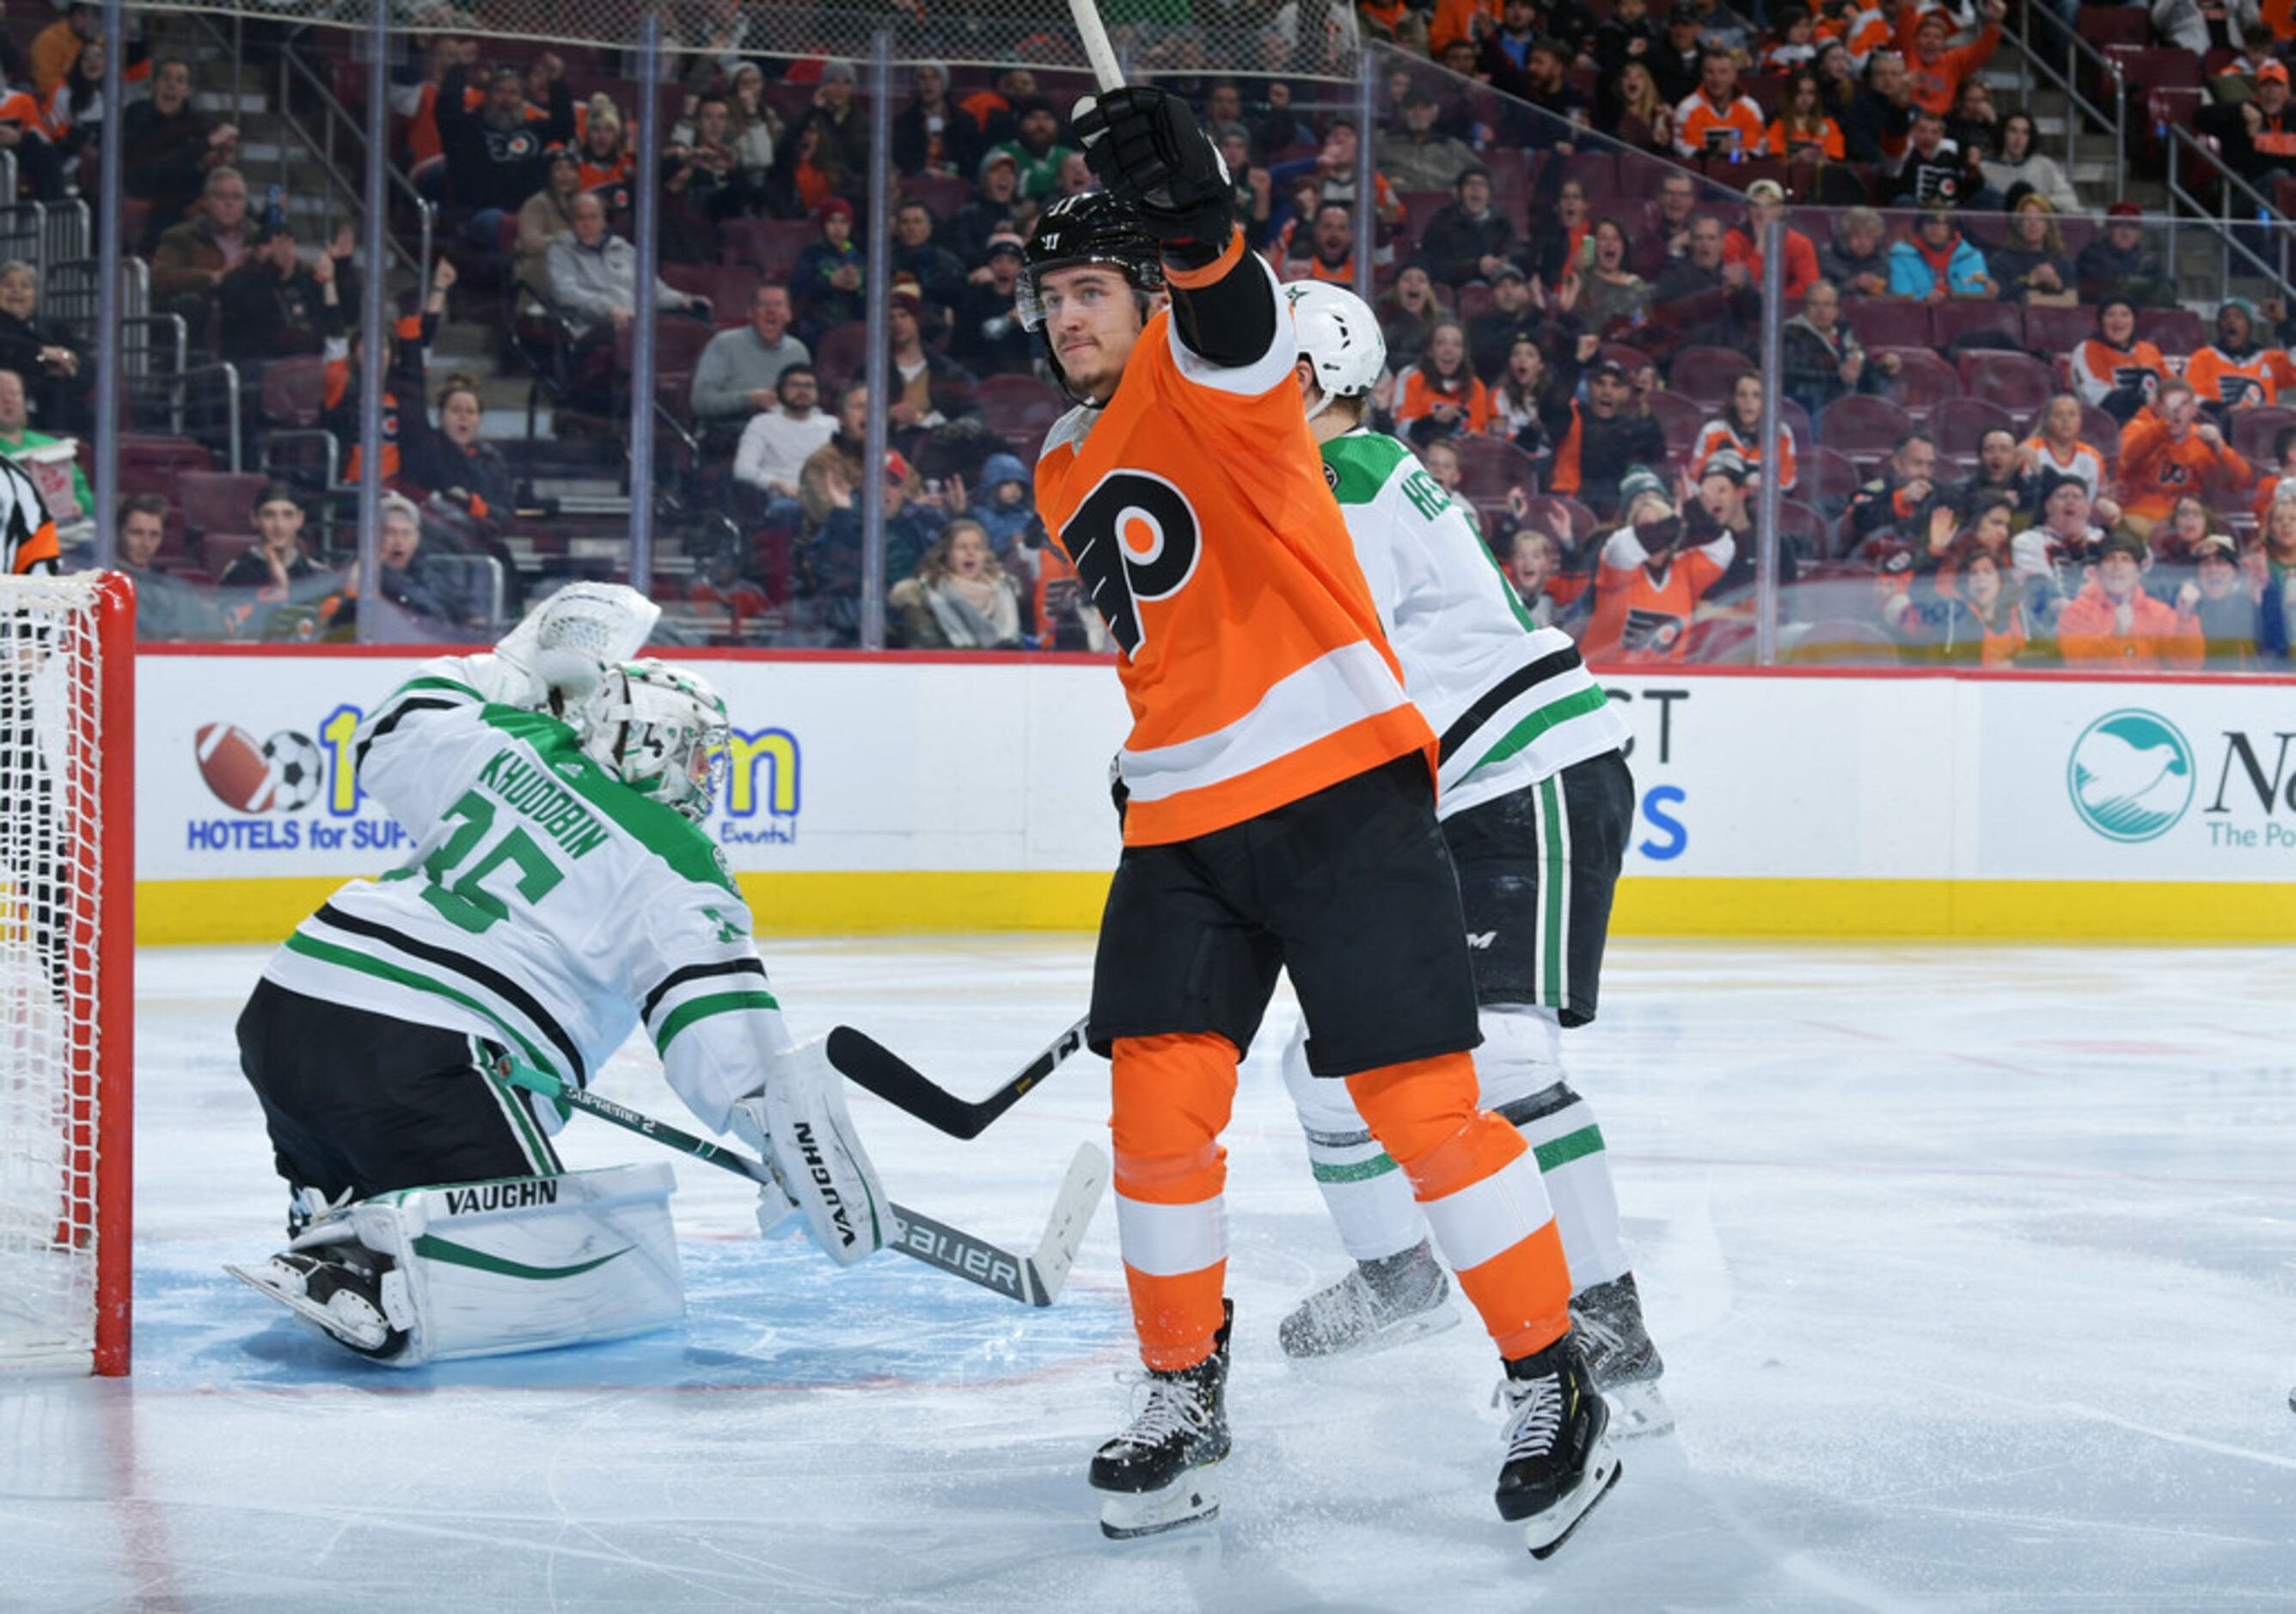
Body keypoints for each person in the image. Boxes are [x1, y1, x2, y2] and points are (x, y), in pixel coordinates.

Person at [1026, 89, 1619, 1550]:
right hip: (1180, 821)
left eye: (1091, 288)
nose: (1064, 318)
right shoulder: (1058, 463)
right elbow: (1171, 645)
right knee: (1157, 1114)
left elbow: (1230, 316)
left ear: (1147, 291)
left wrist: (1199, 222)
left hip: (1342, 792)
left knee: (1423, 1107)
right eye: (1049, 296)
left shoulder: (1220, 371)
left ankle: (1552, 1381)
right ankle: (1182, 1390)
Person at [227, 586, 886, 1364]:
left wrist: (527, 659)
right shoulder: (673, 857)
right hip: (426, 1055)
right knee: (583, 1279)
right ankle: (374, 1269)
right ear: (646, 746)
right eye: (695, 751)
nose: (705, 774)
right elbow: (716, 1019)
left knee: (381, 1155)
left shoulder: (502, 743)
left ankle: (332, 1214)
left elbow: (397, 721)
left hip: (288, 1008)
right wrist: (795, 1144)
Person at [1269, 279, 1664, 1435]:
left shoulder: (1342, 481)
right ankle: (1398, 1277)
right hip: (1449, 798)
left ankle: (1603, 1326)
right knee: (1328, 1065)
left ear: (1306, 381)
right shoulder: (1320, 481)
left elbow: (1331, 685)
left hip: (1518, 778)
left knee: (1497, 1051)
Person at [1581, 459, 1740, 661]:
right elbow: (1623, 549)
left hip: (1667, 680)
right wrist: (1672, 524)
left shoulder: (1684, 569)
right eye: (1646, 525)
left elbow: (1723, 547)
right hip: (1606, 677)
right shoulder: (1617, 564)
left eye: (1660, 521)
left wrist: (1693, 507)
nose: (1656, 531)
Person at [545, 192, 710, 343]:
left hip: (637, 320)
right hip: (594, 326)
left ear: (604, 220)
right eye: (581, 218)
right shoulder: (560, 251)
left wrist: (684, 300)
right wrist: (609, 309)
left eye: (593, 217)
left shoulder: (626, 250)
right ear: (572, 222)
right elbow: (565, 293)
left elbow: (654, 291)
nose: (587, 224)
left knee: (695, 322)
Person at [2116, 379, 2255, 538]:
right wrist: (2162, 428)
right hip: (2141, 515)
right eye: (2171, 404)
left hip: (2186, 519)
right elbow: (2126, 460)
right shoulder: (2137, 428)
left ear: (2194, 410)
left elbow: (2242, 481)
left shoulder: (2202, 440)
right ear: (2158, 407)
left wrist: (2220, 448)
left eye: (2183, 404)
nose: (2176, 411)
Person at [2054, 530, 2203, 669]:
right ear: (2098, 571)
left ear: (2138, 572)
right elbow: (2078, 665)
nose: (2117, 567)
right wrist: (2116, 636)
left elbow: (2187, 665)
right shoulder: (2077, 612)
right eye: (2110, 559)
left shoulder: (2158, 613)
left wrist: (2185, 619)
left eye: (2126, 560)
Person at [1549, 358, 1669, 518]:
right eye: (1600, 384)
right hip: (1571, 502)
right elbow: (1553, 408)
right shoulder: (1572, 417)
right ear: (1590, 387)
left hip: (1616, 506)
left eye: (1615, 385)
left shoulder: (1632, 427)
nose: (1607, 392)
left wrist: (1644, 405)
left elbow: (1656, 456)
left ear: (1626, 392)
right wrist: (1576, 362)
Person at [689, 283, 810, 439]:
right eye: (764, 305)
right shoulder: (724, 344)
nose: (771, 311)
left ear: (788, 314)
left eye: (778, 305)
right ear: (750, 313)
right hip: (729, 433)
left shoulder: (798, 351)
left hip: (783, 434)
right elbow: (700, 402)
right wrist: (750, 399)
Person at [885, 518, 1024, 649]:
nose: (970, 553)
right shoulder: (922, 598)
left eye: (977, 547)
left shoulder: (1004, 590)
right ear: (946, 554)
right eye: (962, 547)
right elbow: (929, 654)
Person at [732, 364, 835, 527]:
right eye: (795, 385)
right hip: (785, 497)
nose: (802, 391)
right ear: (781, 391)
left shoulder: (832, 425)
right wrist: (779, 484)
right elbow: (743, 470)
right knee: (787, 509)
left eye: (809, 386)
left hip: (828, 496)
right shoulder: (762, 424)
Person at [112, 493, 222, 640]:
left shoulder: (178, 588)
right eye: (137, 533)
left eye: (154, 535)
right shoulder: (107, 586)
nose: (146, 544)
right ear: (118, 533)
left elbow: (203, 641)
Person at [1784, 278, 1895, 419]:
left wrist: (1885, 371)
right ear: (1805, 307)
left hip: (1851, 410)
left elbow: (1866, 374)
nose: (1821, 311)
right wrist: (1838, 378)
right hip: (1811, 410)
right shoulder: (1791, 333)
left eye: (1827, 305)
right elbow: (1792, 376)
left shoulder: (1846, 332)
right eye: (1814, 304)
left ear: (1836, 310)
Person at [0, 366, 89, 523]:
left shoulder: (53, 446)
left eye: (14, 394)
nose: (8, 400)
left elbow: (84, 494)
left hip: (66, 529)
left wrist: (79, 505)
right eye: (0, 395)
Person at [2184, 297, 2296, 417]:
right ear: (2219, 325)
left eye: (2238, 317)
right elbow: (2193, 398)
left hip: (2263, 430)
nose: (2231, 321)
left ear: (2249, 326)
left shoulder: (2269, 359)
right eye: (2225, 317)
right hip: (2218, 431)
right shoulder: (2202, 358)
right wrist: (2224, 410)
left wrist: (2284, 323)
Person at [1692, 373, 1799, 492]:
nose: (1748, 401)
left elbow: (1787, 482)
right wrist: (1741, 481)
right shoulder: (1712, 431)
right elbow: (1695, 480)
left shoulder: (1781, 433)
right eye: (1742, 395)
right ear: (1733, 400)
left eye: (1757, 395)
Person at [1417, 164, 1515, 290]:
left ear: (1489, 195)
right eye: (1469, 184)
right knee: (1477, 287)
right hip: (1457, 288)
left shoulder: (1502, 223)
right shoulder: (1442, 222)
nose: (1476, 189)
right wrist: (1476, 267)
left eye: (1482, 185)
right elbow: (1435, 267)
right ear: (1458, 193)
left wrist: (1504, 263)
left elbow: (1515, 255)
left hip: (1500, 285)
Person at [2070, 299, 2168, 425]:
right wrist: (2142, 400)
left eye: (2125, 315)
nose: (2118, 320)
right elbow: (2095, 399)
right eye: (2111, 315)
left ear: (2134, 321)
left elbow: (2172, 385)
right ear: (2101, 321)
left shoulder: (2150, 350)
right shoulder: (2086, 350)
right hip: (2112, 426)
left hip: (2158, 423)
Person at [951, 230, 1034, 376]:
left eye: (1012, 262)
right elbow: (965, 344)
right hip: (979, 373)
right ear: (988, 266)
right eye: (998, 261)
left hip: (1021, 375)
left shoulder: (1030, 300)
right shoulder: (973, 298)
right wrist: (1010, 319)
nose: (1004, 267)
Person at [1723, 180, 1819, 301]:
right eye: (1755, 205)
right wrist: (1759, 251)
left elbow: (1809, 288)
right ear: (1747, 209)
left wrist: (1772, 300)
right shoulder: (1731, 239)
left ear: (1781, 210)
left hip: (1787, 312)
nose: (1762, 213)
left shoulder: (1800, 243)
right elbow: (1737, 287)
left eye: (1770, 206)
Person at [2019, 393, 2111, 511]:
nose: (2065, 420)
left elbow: (2097, 496)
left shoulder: (2092, 456)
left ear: (2080, 421)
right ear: (2047, 421)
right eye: (2058, 415)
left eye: (2072, 414)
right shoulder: (2031, 449)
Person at [1887, 203, 1995, 301]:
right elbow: (1901, 301)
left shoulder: (1971, 257)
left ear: (1951, 228)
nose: (1936, 229)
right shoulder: (1901, 257)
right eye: (1930, 223)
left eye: (1943, 224)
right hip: (1917, 318)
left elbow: (1980, 300)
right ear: (1920, 227)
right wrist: (1923, 299)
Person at [1673, 47, 1766, 159]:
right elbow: (1683, 150)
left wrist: (1740, 154)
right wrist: (1717, 152)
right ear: (1702, 74)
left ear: (1734, 75)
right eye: (1710, 72)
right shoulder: (1687, 108)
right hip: (1700, 172)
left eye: (1723, 72)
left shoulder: (1751, 107)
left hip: (1744, 170)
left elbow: (1759, 147)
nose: (1716, 79)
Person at [1979, 109, 2079, 212]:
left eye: (2025, 132)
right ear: (2003, 133)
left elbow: (2069, 200)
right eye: (2013, 131)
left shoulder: (2044, 165)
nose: (2019, 138)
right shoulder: (1985, 168)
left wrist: (2038, 204)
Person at [2073, 204, 2172, 309]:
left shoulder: (2148, 261)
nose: (2126, 232)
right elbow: (2100, 289)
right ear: (2109, 228)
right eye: (2119, 225)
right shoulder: (2091, 255)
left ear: (2139, 232)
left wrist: (2129, 283)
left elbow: (2166, 294)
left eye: (2132, 226)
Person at [1986, 193, 2075, 307]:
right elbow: (1998, 302)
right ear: (2019, 224)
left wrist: (2057, 285)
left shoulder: (2063, 263)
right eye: (2027, 218)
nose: (2033, 224)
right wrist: (2029, 282)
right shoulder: (2001, 261)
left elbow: (2074, 305)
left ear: (2048, 226)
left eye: (2039, 218)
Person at [1763, 69, 1846, 158]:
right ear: (1790, 95)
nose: (1805, 99)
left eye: (1810, 93)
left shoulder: (1829, 124)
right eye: (1799, 93)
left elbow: (1836, 159)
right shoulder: (1778, 124)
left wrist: (1822, 156)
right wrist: (1798, 158)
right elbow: (1774, 162)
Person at [1817, 206, 1892, 299]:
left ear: (1876, 239)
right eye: (1857, 235)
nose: (1863, 242)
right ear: (1846, 237)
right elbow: (1819, 298)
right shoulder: (1827, 256)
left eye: (1869, 236)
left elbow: (1888, 301)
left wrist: (1878, 292)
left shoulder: (1882, 262)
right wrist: (1852, 284)